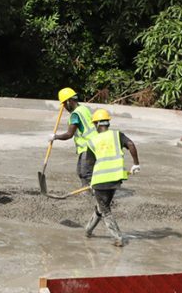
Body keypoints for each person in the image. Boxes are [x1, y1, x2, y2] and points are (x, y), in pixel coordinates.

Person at [84, 108, 141, 246]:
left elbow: (89, 164)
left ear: (97, 124)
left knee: (105, 210)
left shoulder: (92, 141)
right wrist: (135, 164)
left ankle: (118, 238)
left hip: (100, 180)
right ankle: (88, 230)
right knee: (102, 206)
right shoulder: (117, 135)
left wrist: (90, 182)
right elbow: (131, 144)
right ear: (107, 122)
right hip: (115, 179)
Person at [50, 88, 97, 186]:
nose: (64, 107)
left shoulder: (75, 115)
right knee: (80, 171)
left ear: (68, 101)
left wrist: (55, 137)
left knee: (85, 173)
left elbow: (69, 134)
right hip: (93, 144)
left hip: (88, 146)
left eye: (64, 104)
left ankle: (89, 193)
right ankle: (89, 189)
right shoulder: (83, 108)